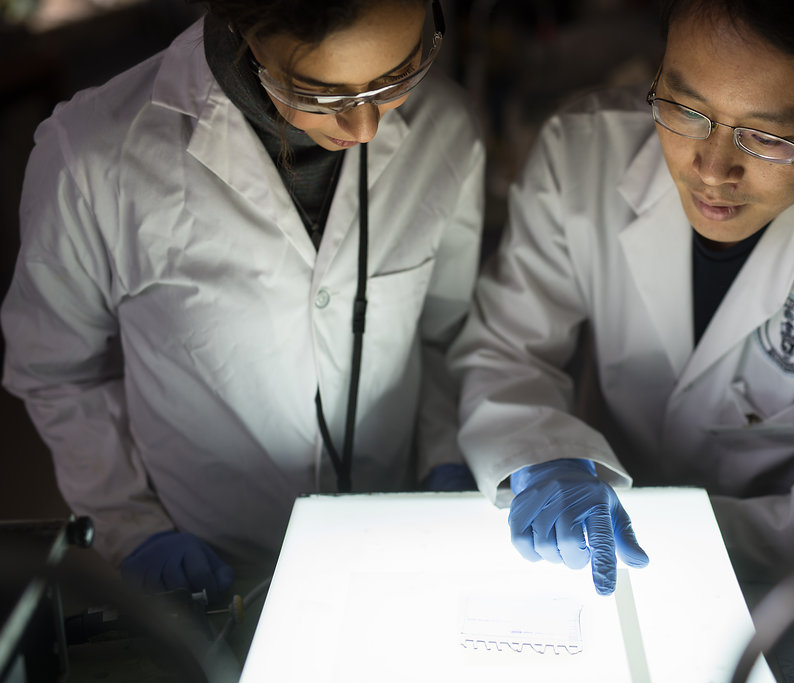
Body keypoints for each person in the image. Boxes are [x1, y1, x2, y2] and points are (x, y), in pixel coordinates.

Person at [450, 0, 794, 594]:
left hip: (778, 588)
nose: (713, 169)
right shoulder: (582, 151)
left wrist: (650, 531)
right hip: (582, 571)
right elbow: (507, 351)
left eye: (769, 136)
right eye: (686, 109)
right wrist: (547, 461)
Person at [2, 0, 483, 600]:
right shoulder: (93, 156)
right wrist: (135, 528)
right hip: (213, 559)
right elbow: (59, 373)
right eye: (317, 93)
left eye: (399, 77)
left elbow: (444, 333)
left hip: (396, 535)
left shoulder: (450, 127)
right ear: (245, 33)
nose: (366, 129)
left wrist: (446, 453)